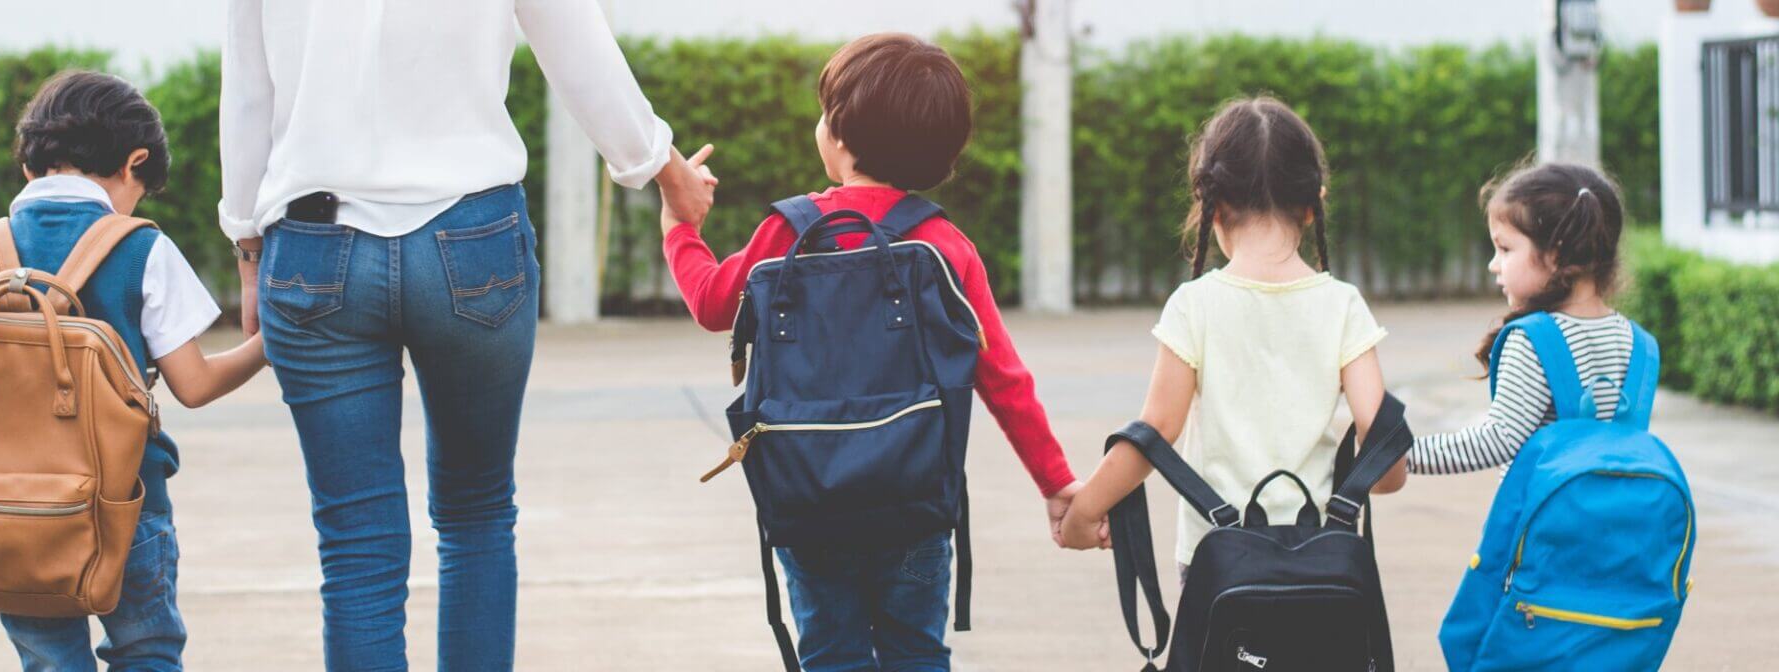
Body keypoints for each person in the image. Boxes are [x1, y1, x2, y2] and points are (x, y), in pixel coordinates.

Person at [216, 1, 715, 668]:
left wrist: (249, 247)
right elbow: (578, 48)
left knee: (356, 543)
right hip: (471, 241)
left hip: (313, 246)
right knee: (476, 515)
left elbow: (249, 89)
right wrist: (662, 167)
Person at [658, 33, 1079, 670]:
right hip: (913, 503)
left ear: (842, 138)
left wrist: (680, 228)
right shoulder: (944, 244)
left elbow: (714, 302)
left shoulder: (788, 231)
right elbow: (1003, 377)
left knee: (830, 652)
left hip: (807, 499)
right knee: (915, 653)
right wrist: (1056, 481)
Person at [0, 70, 269, 671]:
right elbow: (196, 385)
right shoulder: (141, 247)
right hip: (127, 505)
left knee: (50, 661)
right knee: (146, 652)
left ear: (30, 167)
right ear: (136, 163)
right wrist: (271, 344)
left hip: (6, 517)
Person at [1059, 97, 1408, 575]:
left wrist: (1083, 513)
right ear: (1312, 206)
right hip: (1320, 561)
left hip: (1218, 562)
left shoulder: (1195, 304)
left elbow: (1157, 430)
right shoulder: (1343, 304)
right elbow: (1384, 453)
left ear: (1212, 206)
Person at [1407, 162, 1640, 475]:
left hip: (1545, 521)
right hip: (1615, 520)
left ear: (1556, 255)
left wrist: (1403, 455)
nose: (1493, 264)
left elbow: (1499, 439)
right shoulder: (1633, 338)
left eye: (1504, 249)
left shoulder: (1536, 340)